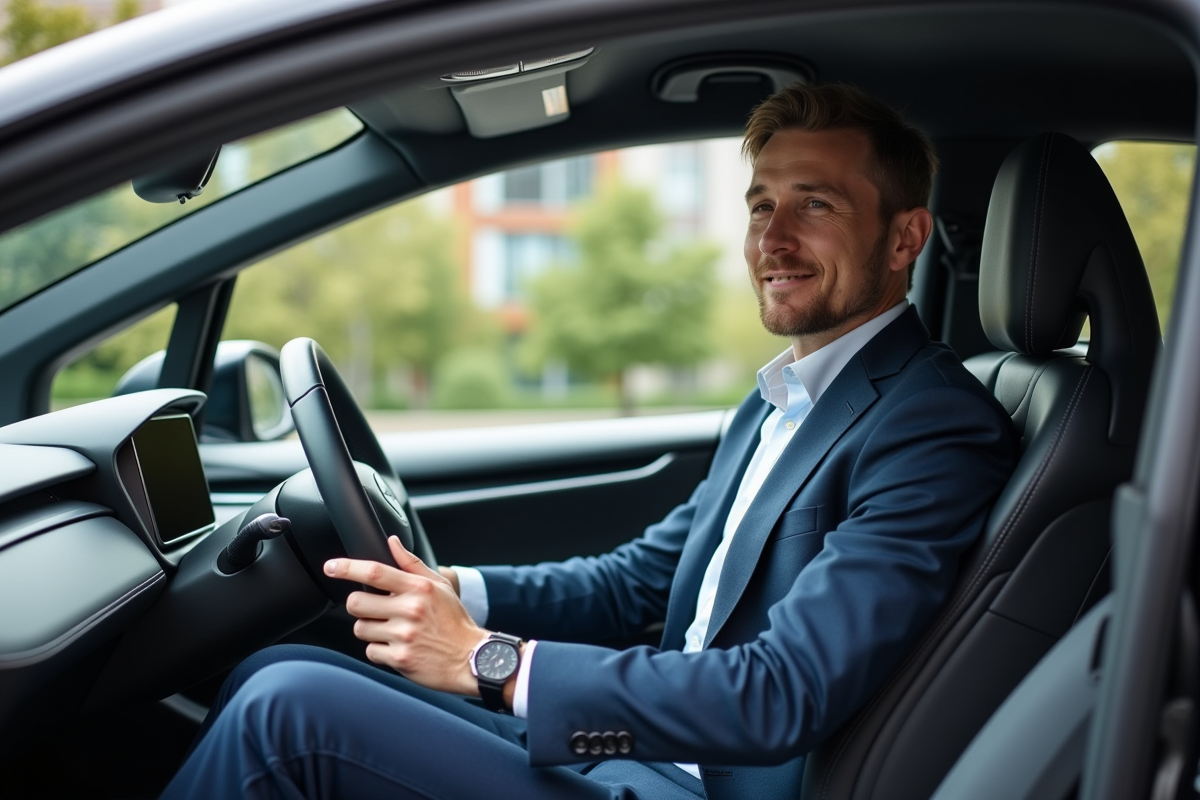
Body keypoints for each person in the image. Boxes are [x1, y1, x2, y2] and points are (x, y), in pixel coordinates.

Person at [160, 83, 1017, 800]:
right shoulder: (782, 400)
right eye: (761, 206)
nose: (773, 239)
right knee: (278, 667)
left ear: (905, 236)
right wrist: (455, 590)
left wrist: (487, 660)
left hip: (703, 783)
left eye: (815, 205)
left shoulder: (932, 427)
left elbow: (780, 694)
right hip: (648, 756)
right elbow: (638, 581)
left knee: (289, 710)